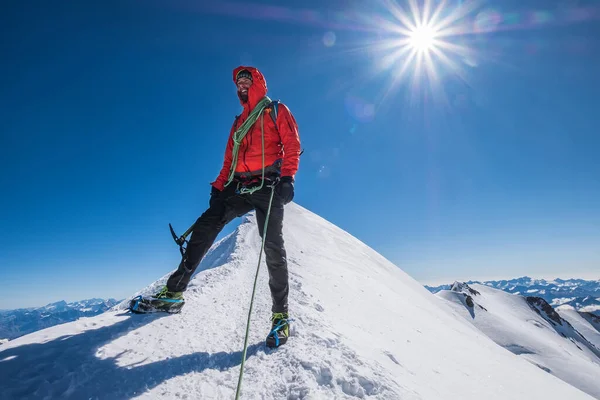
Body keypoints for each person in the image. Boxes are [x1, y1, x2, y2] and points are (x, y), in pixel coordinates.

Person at [147, 66, 301, 347]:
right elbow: (229, 160)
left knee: (273, 247)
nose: (242, 86)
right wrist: (218, 187)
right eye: (238, 83)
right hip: (239, 186)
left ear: (257, 83)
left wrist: (288, 178)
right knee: (206, 225)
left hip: (268, 185)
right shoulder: (238, 122)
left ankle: (281, 317)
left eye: (246, 81)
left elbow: (291, 144)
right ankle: (174, 293)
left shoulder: (275, 110)